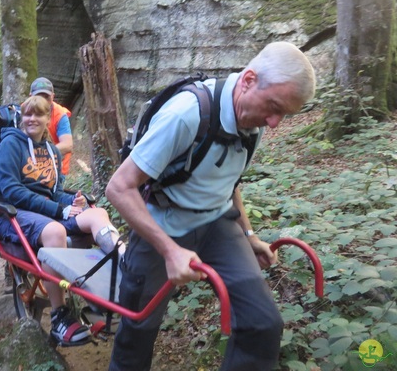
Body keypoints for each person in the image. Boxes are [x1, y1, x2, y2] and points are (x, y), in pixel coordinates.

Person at [105, 42, 316, 371]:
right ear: (248, 80)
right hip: (162, 225)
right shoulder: (187, 115)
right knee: (138, 328)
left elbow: (230, 183)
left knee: (263, 323)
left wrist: (249, 234)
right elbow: (119, 187)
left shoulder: (253, 124)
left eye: (284, 114)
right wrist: (169, 250)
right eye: (273, 106)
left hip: (218, 225)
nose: (274, 122)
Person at [0, 95, 125, 345]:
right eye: (27, 114)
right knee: (54, 232)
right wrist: (59, 210)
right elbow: (11, 191)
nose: (32, 119)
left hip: (44, 212)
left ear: (47, 119)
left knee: (97, 213)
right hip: (10, 213)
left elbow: (55, 191)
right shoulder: (11, 144)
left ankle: (123, 266)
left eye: (38, 114)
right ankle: (60, 317)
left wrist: (71, 204)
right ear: (21, 119)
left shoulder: (52, 151)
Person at [29, 77, 73, 176]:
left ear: (53, 97)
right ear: (30, 96)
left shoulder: (60, 114)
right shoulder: (24, 112)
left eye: (46, 97)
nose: (43, 101)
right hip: (29, 168)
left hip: (56, 168)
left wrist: (39, 154)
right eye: (39, 97)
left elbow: (67, 145)